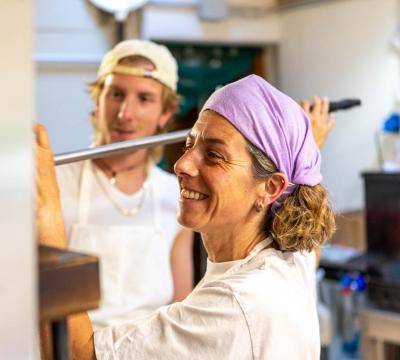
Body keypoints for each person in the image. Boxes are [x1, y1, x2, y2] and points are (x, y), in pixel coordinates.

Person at [37, 73, 336, 359]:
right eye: (190, 144)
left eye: (214, 155)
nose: (182, 164)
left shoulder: (237, 304)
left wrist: (48, 207)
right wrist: (302, 148)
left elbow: (78, 355)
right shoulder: (289, 261)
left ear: (271, 187)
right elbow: (310, 248)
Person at [54, 39, 193, 329]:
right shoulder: (54, 181)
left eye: (144, 98)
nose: (125, 113)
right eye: (116, 94)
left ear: (164, 113)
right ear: (98, 100)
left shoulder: (175, 195)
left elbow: (181, 309)